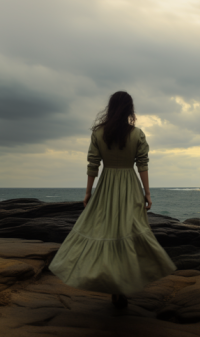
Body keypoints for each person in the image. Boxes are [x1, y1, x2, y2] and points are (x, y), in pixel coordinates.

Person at [49, 91, 176, 309]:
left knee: (105, 233)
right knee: (128, 234)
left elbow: (93, 165)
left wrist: (88, 192)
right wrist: (147, 193)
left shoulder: (98, 134)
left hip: (106, 187)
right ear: (129, 110)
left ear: (110, 108)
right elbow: (142, 165)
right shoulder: (137, 134)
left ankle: (112, 286)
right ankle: (123, 286)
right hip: (130, 186)